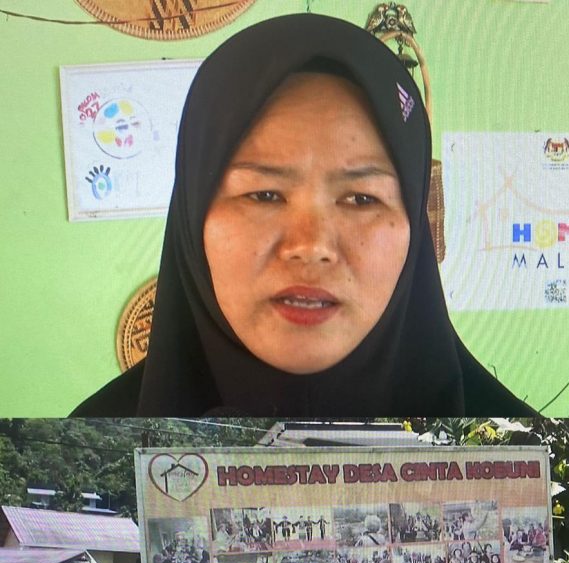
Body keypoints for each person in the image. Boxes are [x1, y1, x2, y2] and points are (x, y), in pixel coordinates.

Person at [72, 13, 534, 417]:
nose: (311, 246)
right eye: (264, 195)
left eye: (361, 199)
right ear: (193, 219)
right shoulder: (81, 452)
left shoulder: (528, 460)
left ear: (413, 221)